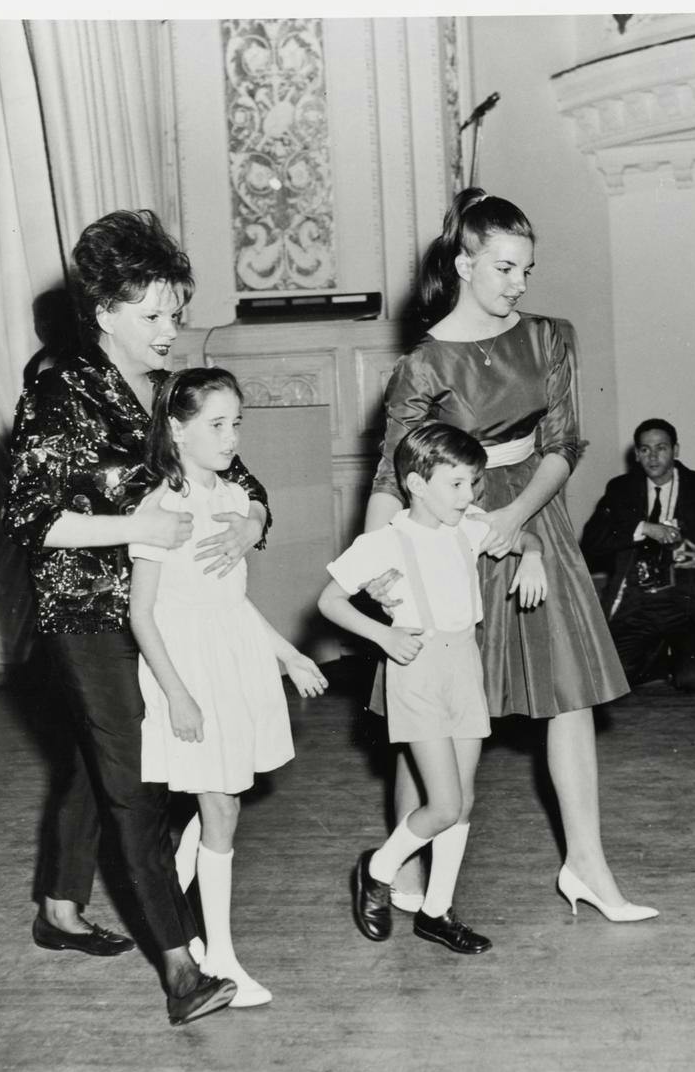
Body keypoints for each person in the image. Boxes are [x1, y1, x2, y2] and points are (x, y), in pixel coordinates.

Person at [3, 209, 270, 1026]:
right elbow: (29, 519)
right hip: (87, 612)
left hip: (167, 611)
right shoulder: (60, 386)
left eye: (175, 314)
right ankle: (184, 969)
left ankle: (58, 908)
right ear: (103, 312)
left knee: (96, 763)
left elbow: (243, 480)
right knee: (137, 785)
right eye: (151, 315)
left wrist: (250, 521)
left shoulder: (163, 394)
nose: (168, 330)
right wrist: (138, 527)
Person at [364, 188, 653, 921]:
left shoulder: (550, 337)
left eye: (526, 268)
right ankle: (403, 865)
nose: (518, 283)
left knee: (570, 695)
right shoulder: (423, 363)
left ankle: (587, 864)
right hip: (444, 525)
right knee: (433, 704)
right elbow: (387, 482)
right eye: (502, 268)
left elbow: (562, 445)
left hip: (534, 516)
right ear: (463, 264)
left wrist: (513, 517)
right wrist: (386, 574)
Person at [129, 368, 328, 1005]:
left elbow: (234, 604)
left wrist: (289, 654)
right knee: (221, 807)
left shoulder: (238, 502)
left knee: (223, 800)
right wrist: (178, 693)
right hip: (186, 665)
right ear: (176, 429)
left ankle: (174, 932)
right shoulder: (161, 506)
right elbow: (141, 613)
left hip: (235, 660)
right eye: (215, 424)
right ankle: (222, 959)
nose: (229, 436)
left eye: (235, 422)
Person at [324, 424, 556, 952]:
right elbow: (330, 602)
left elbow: (526, 536)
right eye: (457, 484)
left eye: (473, 484)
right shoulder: (382, 542)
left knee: (464, 800)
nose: (471, 496)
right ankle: (378, 868)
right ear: (416, 483)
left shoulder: (470, 526)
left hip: (464, 666)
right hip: (418, 669)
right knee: (444, 803)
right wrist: (382, 633)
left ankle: (436, 909)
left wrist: (535, 556)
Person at [582, 418, 695, 693]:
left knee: (693, 679)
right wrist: (642, 528)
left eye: (661, 447)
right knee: (613, 678)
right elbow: (591, 541)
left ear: (676, 450)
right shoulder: (620, 489)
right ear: (636, 454)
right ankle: (658, 654)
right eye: (645, 449)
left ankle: (684, 655)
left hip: (688, 602)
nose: (653, 456)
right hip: (637, 603)